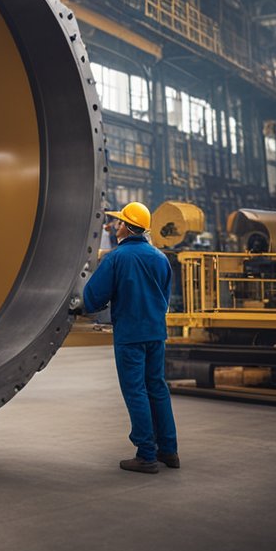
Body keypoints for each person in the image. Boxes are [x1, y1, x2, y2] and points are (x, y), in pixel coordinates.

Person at [80, 201, 179, 474]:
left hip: (130, 335)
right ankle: (169, 451)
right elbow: (164, 297)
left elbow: (92, 298)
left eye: (119, 222)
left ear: (126, 226)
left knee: (136, 391)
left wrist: (80, 304)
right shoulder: (160, 258)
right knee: (157, 388)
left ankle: (146, 455)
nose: (116, 225)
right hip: (156, 333)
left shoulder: (116, 258)